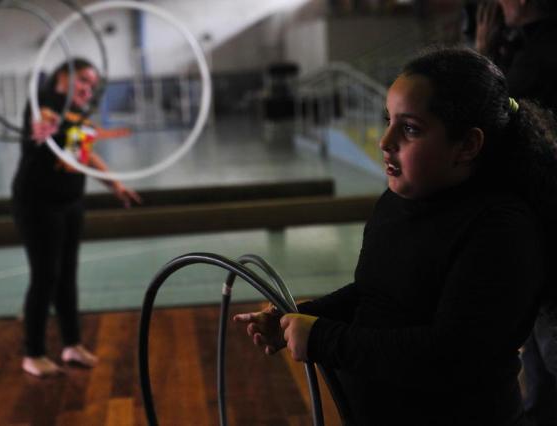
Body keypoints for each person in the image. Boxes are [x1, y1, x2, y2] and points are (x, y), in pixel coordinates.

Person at [234, 47, 557, 425]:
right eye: (388, 120)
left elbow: (448, 354)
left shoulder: (500, 229)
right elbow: (375, 294)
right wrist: (300, 315)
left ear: (468, 144)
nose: (385, 141)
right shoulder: (397, 201)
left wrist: (322, 337)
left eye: (409, 129)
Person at [12, 58, 142, 377]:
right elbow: (42, 127)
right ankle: (33, 353)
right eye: (83, 80)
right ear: (63, 77)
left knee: (66, 276)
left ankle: (72, 345)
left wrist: (115, 185)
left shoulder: (77, 113)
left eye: (92, 84)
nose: (88, 88)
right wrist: (43, 128)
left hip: (70, 202)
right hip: (38, 204)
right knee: (45, 277)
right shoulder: (44, 104)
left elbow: (84, 154)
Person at [476, 2, 557, 424]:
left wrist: (482, 54)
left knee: (546, 367)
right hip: (539, 226)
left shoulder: (540, 56)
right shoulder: (529, 48)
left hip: (546, 228)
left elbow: (494, 116)